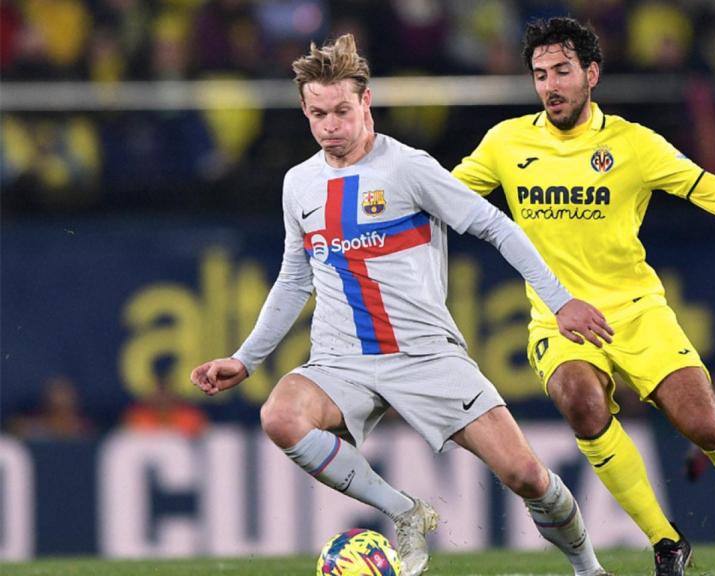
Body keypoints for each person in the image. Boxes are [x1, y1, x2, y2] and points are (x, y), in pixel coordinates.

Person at [189, 35, 614, 576]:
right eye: (318, 113)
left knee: (527, 475)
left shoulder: (409, 168)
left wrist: (560, 302)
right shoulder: (299, 184)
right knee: (280, 415)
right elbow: (295, 278)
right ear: (304, 109)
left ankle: (588, 568)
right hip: (341, 358)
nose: (330, 126)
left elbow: (495, 227)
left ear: (366, 103)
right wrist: (245, 359)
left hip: (423, 354)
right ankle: (406, 511)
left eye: (342, 111)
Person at [452, 17, 715, 576]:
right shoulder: (505, 142)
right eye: (540, 75)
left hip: (637, 312)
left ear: (591, 73)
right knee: (580, 401)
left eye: (562, 71)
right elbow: (445, 196)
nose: (551, 86)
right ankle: (666, 542)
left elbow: (713, 191)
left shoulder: (634, 145)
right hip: (558, 318)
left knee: (705, 425)